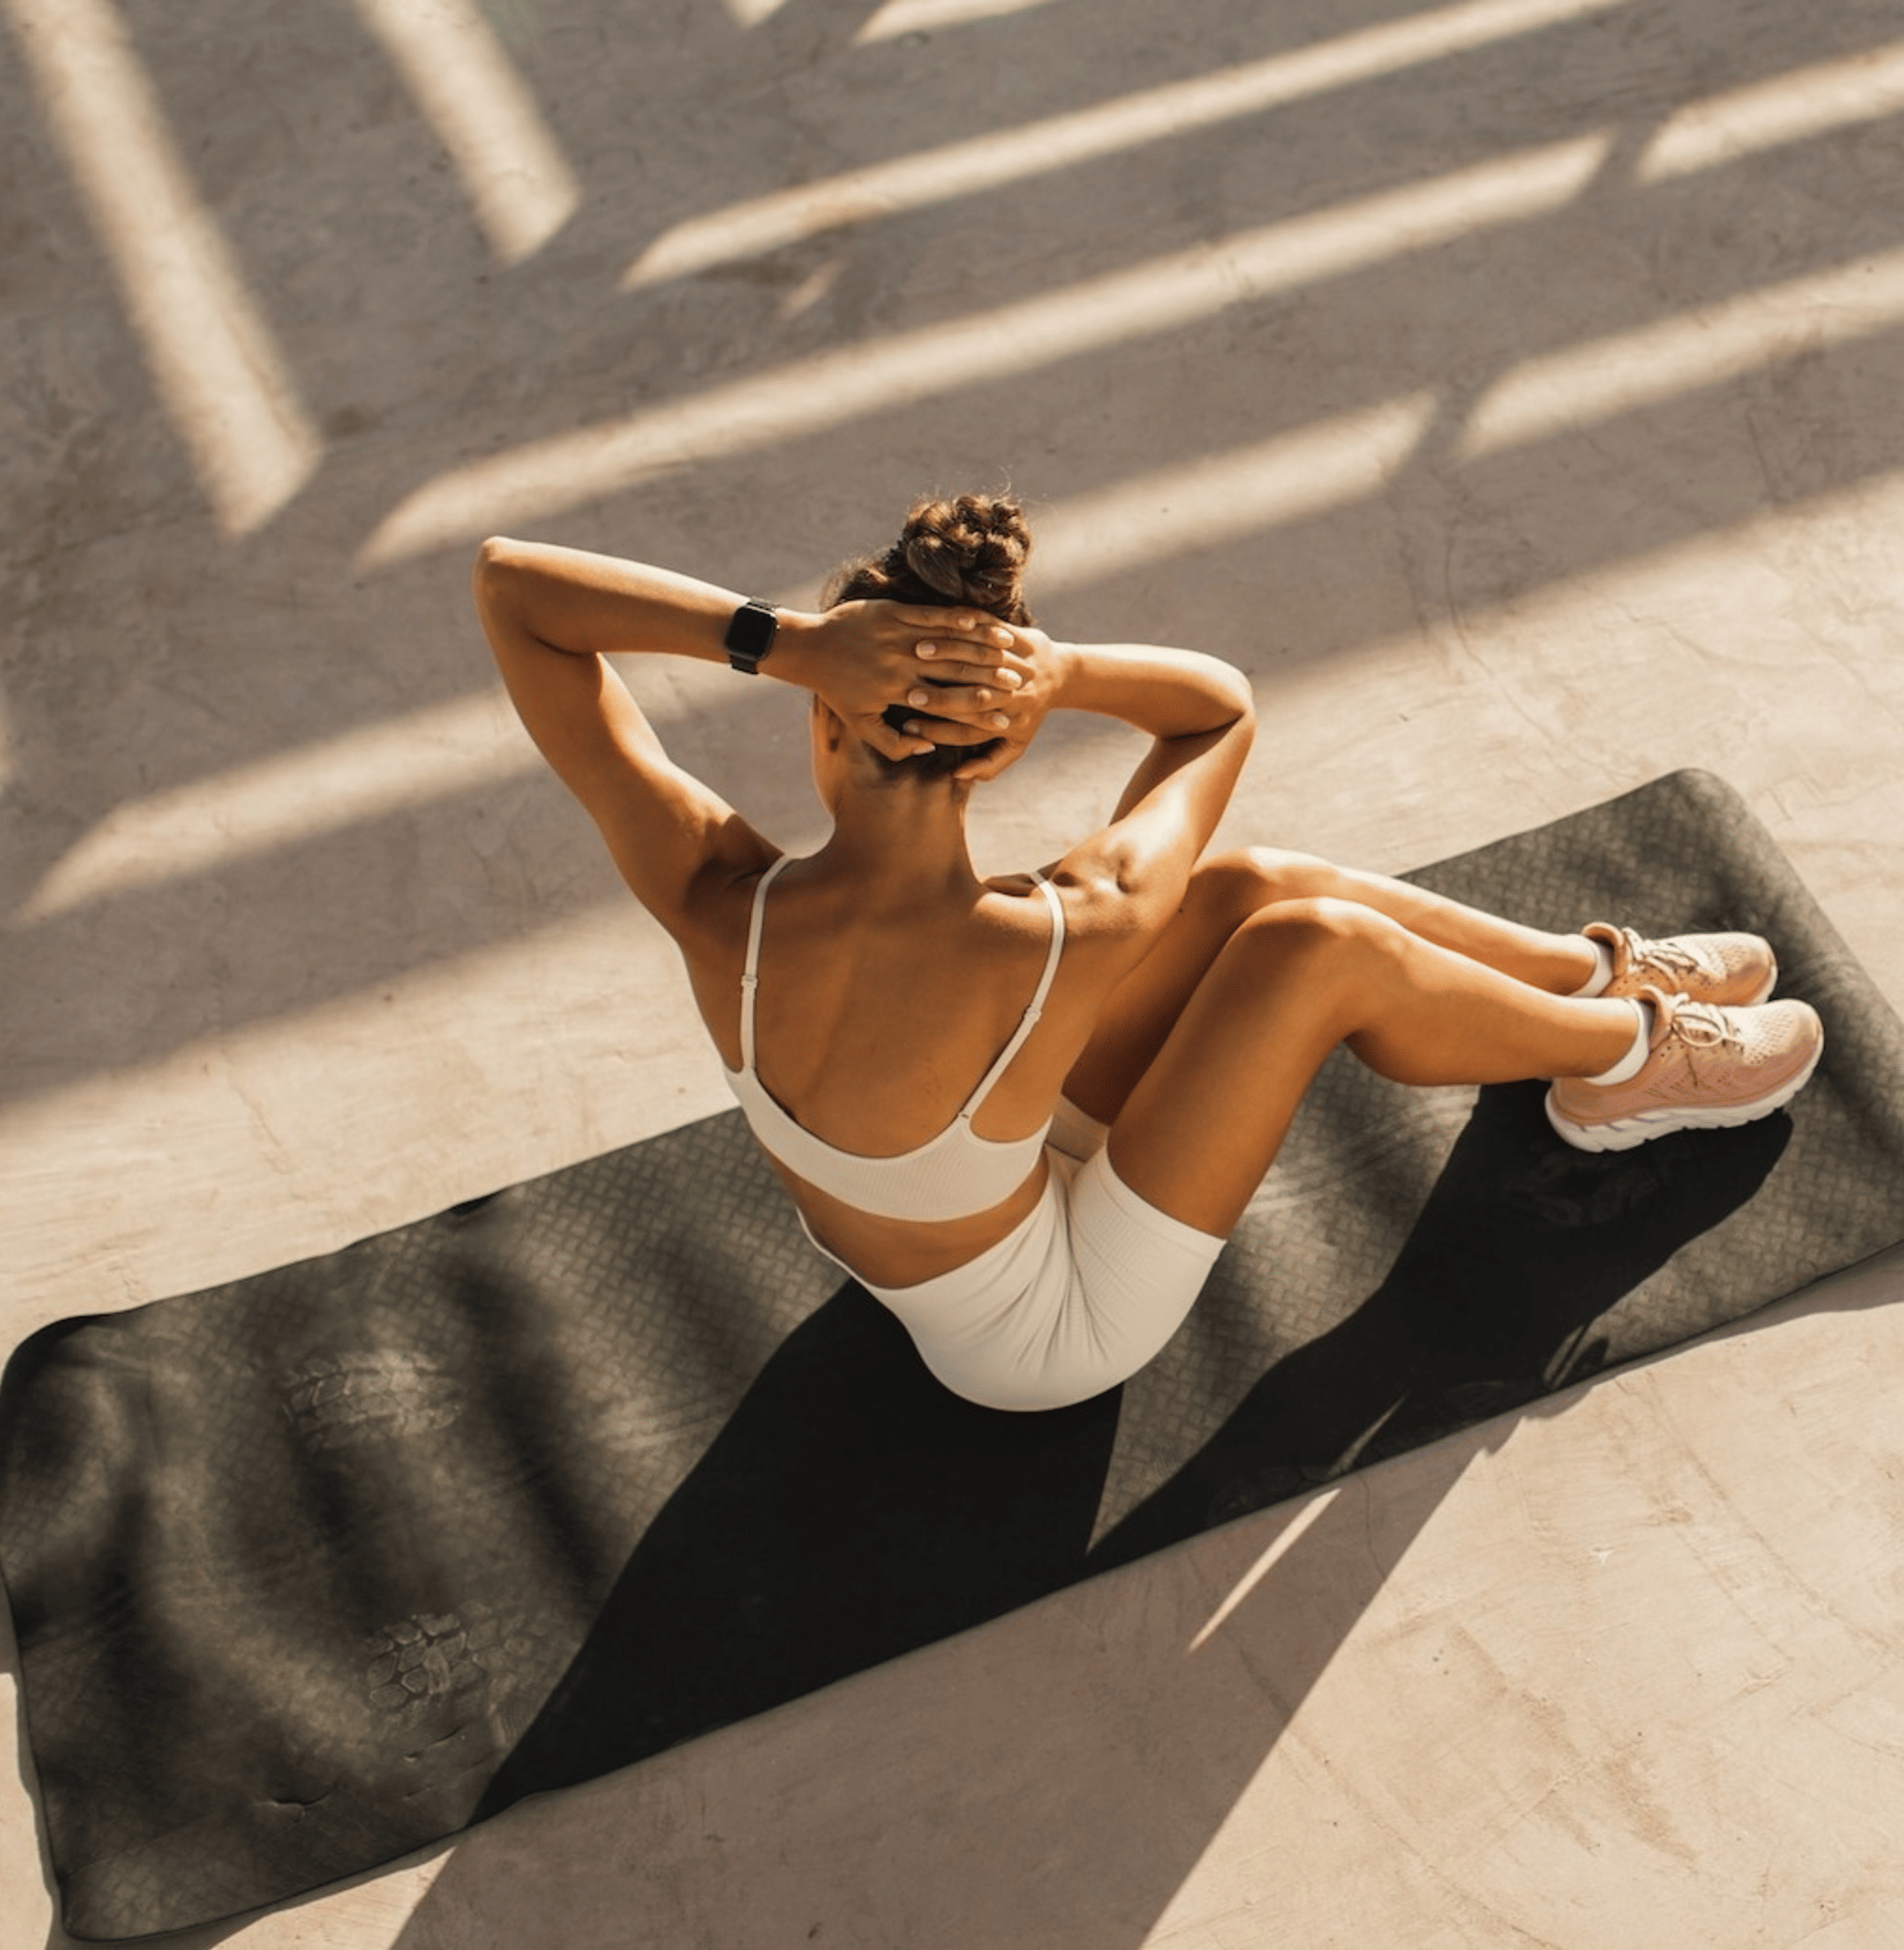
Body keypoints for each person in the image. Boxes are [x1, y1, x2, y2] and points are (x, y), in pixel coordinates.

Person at [475, 494, 1819, 1412]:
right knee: (1315, 948)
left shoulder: (716, 893)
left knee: (1242, 888)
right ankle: (1628, 1062)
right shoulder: (1067, 924)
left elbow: (514, 589)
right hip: (1040, 1342)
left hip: (957, 1203)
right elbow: (1216, 710)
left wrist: (784, 645)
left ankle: (1588, 975)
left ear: (825, 726)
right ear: (992, 759)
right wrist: (1052, 678)